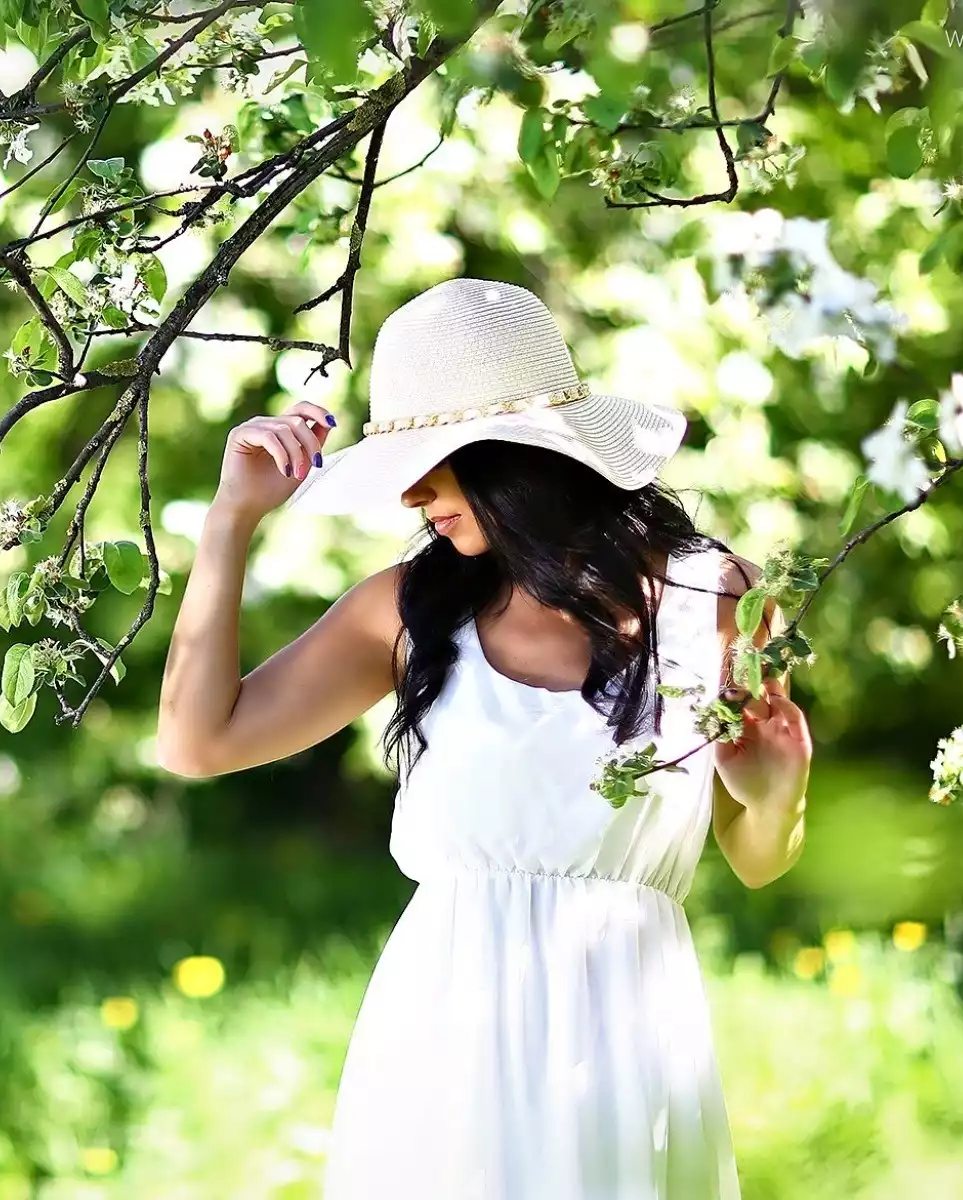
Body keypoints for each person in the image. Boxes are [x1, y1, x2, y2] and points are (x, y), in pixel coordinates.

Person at [154, 279, 813, 1198]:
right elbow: (196, 744)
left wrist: (776, 796)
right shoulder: (410, 610)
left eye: (439, 461)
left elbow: (758, 859)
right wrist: (230, 524)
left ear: (518, 458)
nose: (414, 494)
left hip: (630, 1043)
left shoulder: (719, 598)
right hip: (444, 1042)